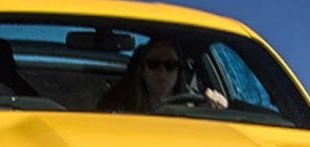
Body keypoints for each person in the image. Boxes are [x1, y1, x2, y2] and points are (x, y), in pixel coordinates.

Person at [97, 38, 227, 113]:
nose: (162, 72)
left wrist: (218, 109)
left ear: (178, 72)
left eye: (170, 65)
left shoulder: (196, 111)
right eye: (153, 64)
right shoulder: (118, 109)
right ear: (143, 71)